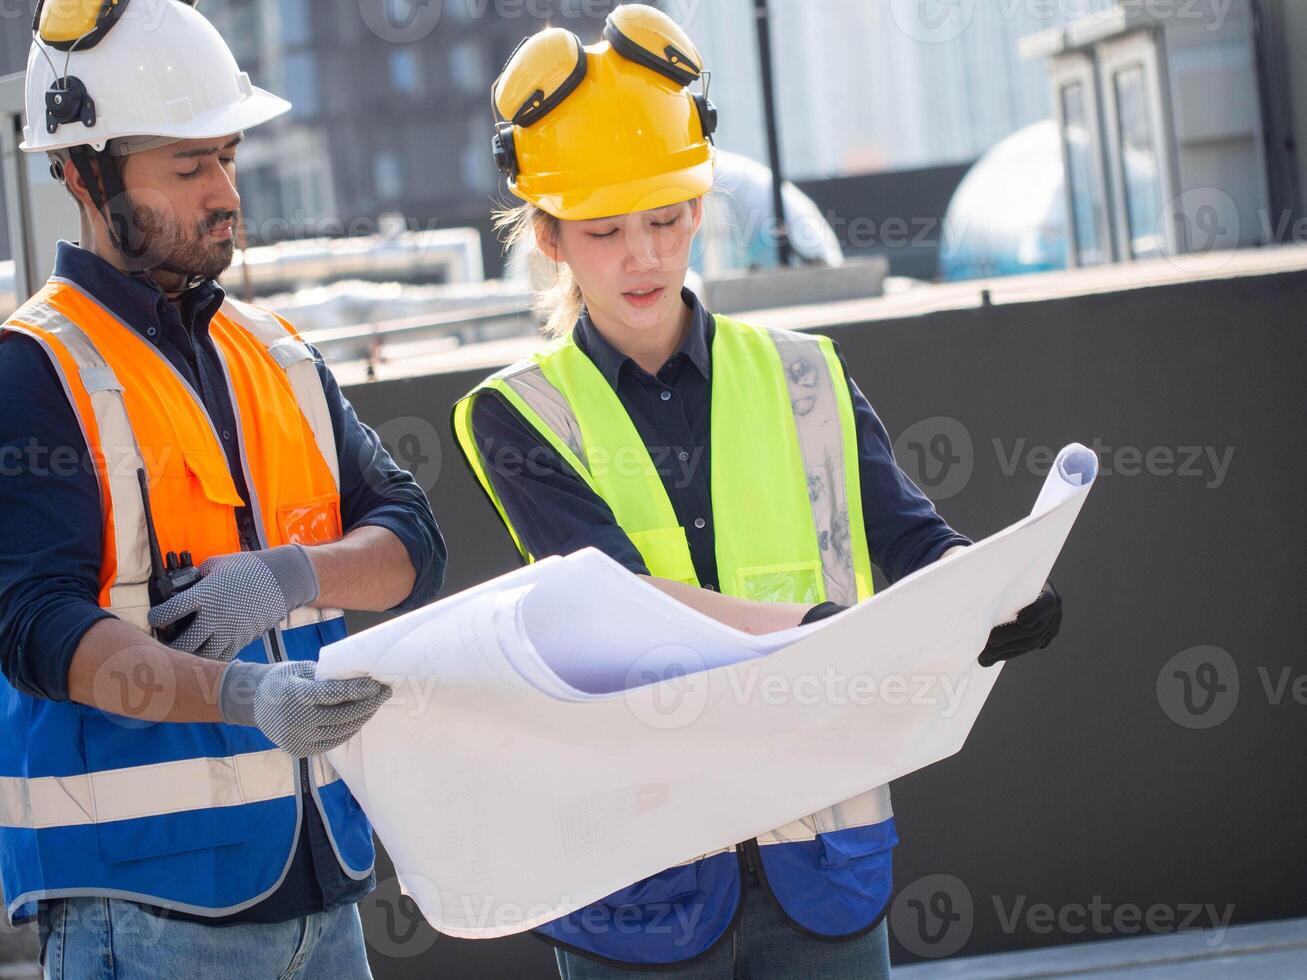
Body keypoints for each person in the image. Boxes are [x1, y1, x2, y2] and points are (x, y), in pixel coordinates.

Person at [452, 6, 1063, 977]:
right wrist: (821, 626)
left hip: (814, 854)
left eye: (663, 218)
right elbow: (614, 598)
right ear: (549, 236)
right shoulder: (514, 415)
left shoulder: (805, 373)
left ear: (697, 208)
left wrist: (990, 590)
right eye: (605, 229)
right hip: (639, 877)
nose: (642, 254)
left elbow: (911, 537)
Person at [0, 2, 445, 976]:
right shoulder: (33, 370)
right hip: (147, 913)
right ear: (84, 173)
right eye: (188, 166)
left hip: (326, 893)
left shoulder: (274, 353)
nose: (224, 193)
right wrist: (242, 691)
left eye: (228, 157)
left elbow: (413, 541)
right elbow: (37, 629)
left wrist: (290, 573)